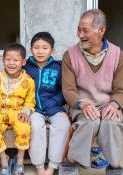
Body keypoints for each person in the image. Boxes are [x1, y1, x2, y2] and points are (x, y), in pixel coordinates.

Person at [62, 9, 123, 175]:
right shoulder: (70, 55)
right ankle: (71, 162)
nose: (80, 34)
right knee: (89, 122)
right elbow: (68, 89)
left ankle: (114, 166)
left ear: (101, 30)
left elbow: (121, 90)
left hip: (107, 104)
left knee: (111, 123)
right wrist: (81, 103)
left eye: (85, 30)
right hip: (82, 104)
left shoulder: (118, 55)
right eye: (79, 29)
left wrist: (114, 104)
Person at [25, 32, 71, 175]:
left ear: (52, 50)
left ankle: (52, 166)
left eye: (45, 48)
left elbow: (64, 90)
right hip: (34, 108)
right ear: (31, 49)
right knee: (36, 127)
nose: (40, 51)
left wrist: (53, 102)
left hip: (54, 107)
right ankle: (39, 167)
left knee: (63, 125)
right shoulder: (25, 67)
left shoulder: (58, 67)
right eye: (36, 47)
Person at [0, 43, 35, 175]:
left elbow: (30, 100)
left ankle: (20, 157)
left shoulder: (28, 81)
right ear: (3, 61)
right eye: (8, 59)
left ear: (23, 62)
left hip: (18, 111)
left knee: (24, 127)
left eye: (16, 60)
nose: (11, 63)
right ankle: (4, 158)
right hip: (0, 111)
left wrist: (26, 111)